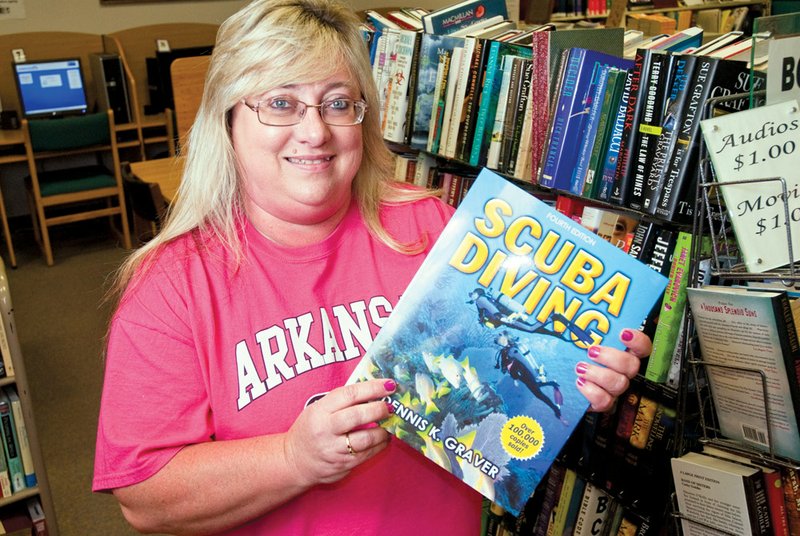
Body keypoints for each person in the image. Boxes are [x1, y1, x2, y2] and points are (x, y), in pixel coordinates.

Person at [93, 1, 652, 534]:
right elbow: (145, 495)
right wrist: (294, 458)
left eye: (337, 103)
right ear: (229, 120)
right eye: (281, 103)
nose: (315, 132)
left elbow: (499, 391)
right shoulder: (172, 285)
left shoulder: (433, 228)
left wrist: (587, 370)